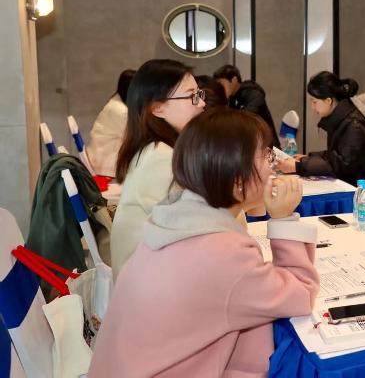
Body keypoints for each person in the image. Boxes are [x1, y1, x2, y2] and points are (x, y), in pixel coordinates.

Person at [89, 109, 319, 376]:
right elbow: (302, 294)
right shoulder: (224, 254)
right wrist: (284, 219)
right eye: (267, 156)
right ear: (237, 180)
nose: (274, 165)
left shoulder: (173, 219)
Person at [111, 59, 206, 279]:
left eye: (199, 94)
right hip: (150, 287)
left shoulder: (155, 150)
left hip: (148, 280)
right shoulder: (160, 158)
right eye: (191, 96)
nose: (202, 103)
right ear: (158, 108)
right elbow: (203, 227)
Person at [276, 71, 365, 218]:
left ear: (329, 101)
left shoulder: (353, 126)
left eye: (314, 102)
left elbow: (340, 164)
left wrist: (298, 166)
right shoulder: (341, 119)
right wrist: (306, 158)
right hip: (355, 185)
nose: (312, 107)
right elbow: (336, 155)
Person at [213, 64, 279, 148]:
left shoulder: (253, 93)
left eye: (221, 83)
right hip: (251, 143)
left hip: (267, 144)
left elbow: (247, 117)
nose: (220, 88)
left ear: (234, 80)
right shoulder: (232, 98)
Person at [87, 69, 136, 177]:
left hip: (100, 161)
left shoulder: (115, 102)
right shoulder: (120, 111)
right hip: (105, 168)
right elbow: (136, 139)